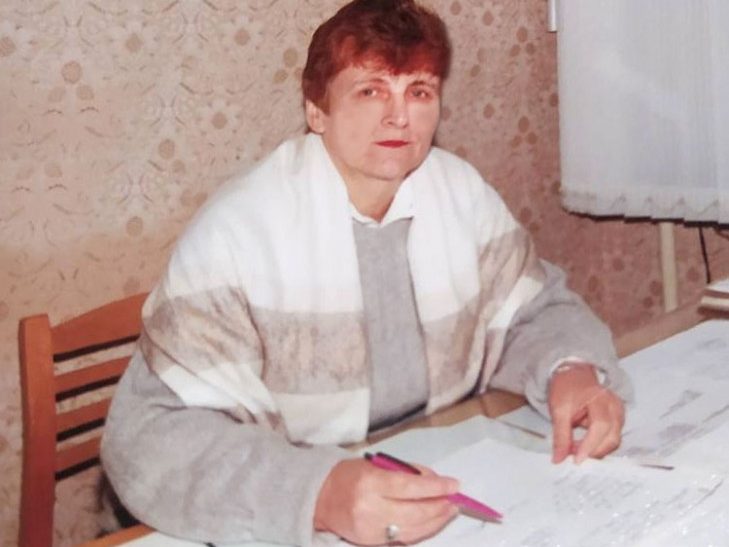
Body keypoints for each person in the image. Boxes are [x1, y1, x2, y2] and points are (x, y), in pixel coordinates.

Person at [101, 0, 631, 545]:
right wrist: (318, 493)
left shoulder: (460, 194)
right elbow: (147, 438)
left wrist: (570, 370)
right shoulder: (238, 233)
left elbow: (530, 309)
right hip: (295, 504)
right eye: (371, 91)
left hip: (439, 463)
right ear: (317, 110)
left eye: (419, 91)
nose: (399, 116)